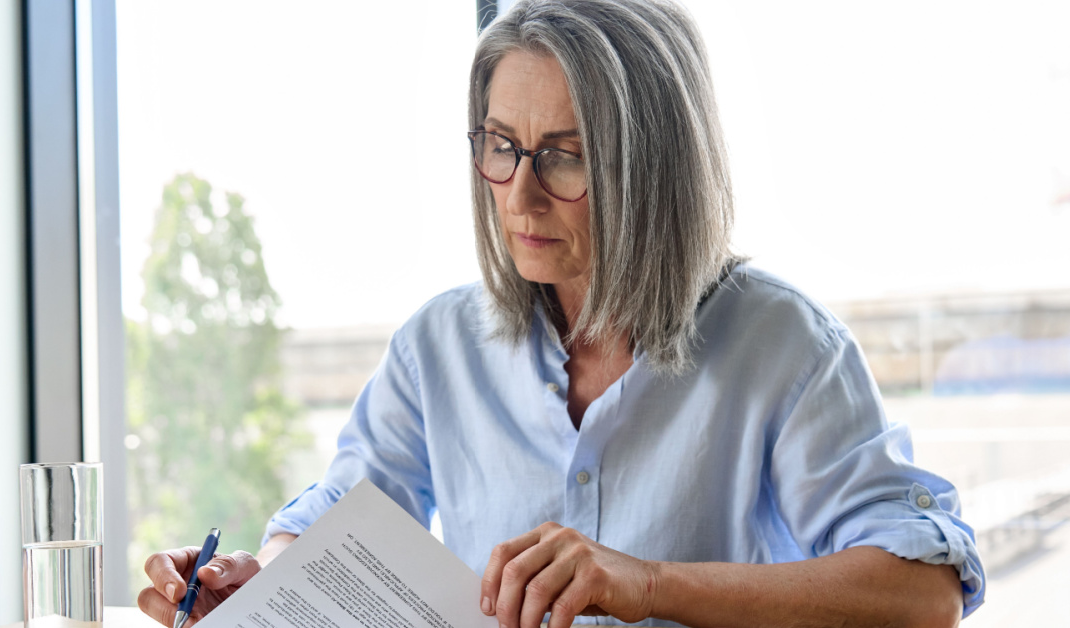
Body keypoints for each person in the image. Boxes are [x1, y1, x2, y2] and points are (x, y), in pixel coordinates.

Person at [140, 1, 985, 626]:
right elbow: (337, 517)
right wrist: (265, 582)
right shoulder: (439, 347)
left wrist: (645, 583)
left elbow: (922, 591)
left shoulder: (783, 346)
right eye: (501, 146)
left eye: (565, 157)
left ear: (655, 169)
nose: (521, 194)